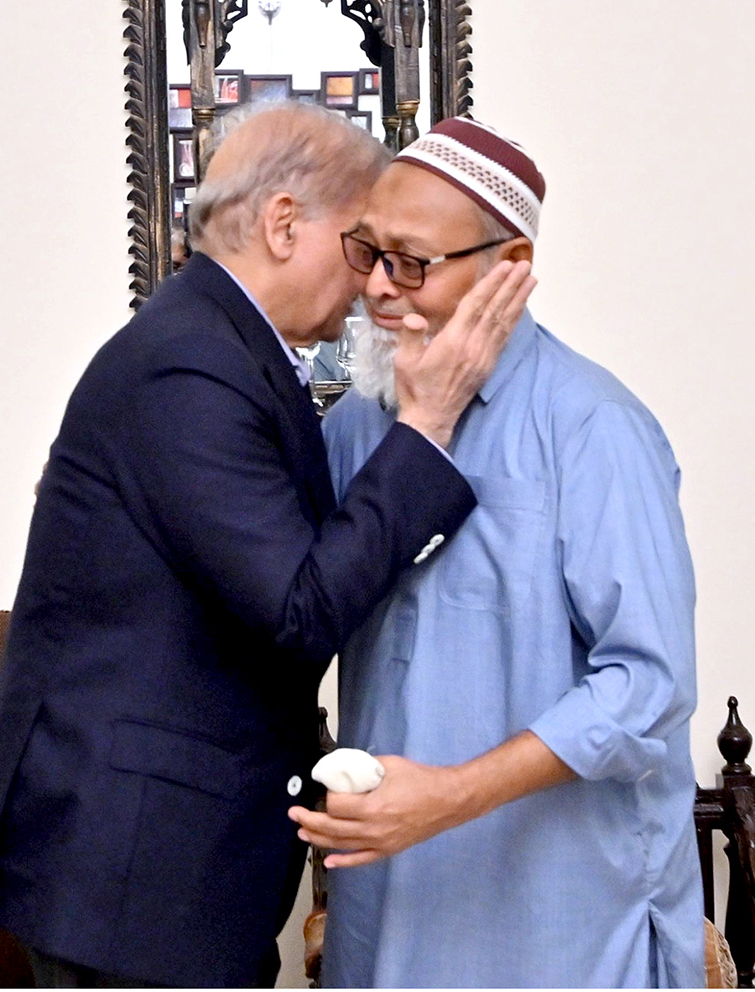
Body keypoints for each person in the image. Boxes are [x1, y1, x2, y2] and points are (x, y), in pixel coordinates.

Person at [0, 106, 535, 988]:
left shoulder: (220, 347)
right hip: (132, 881)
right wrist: (427, 421)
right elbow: (299, 610)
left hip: (164, 869)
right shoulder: (189, 364)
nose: (373, 284)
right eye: (359, 246)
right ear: (283, 223)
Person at [289, 117, 705, 988]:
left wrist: (446, 797)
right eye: (370, 252)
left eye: (414, 263)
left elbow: (648, 686)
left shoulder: (595, 429)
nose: (379, 291)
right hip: (392, 906)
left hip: (560, 920)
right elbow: (291, 589)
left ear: (508, 267)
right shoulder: (364, 423)